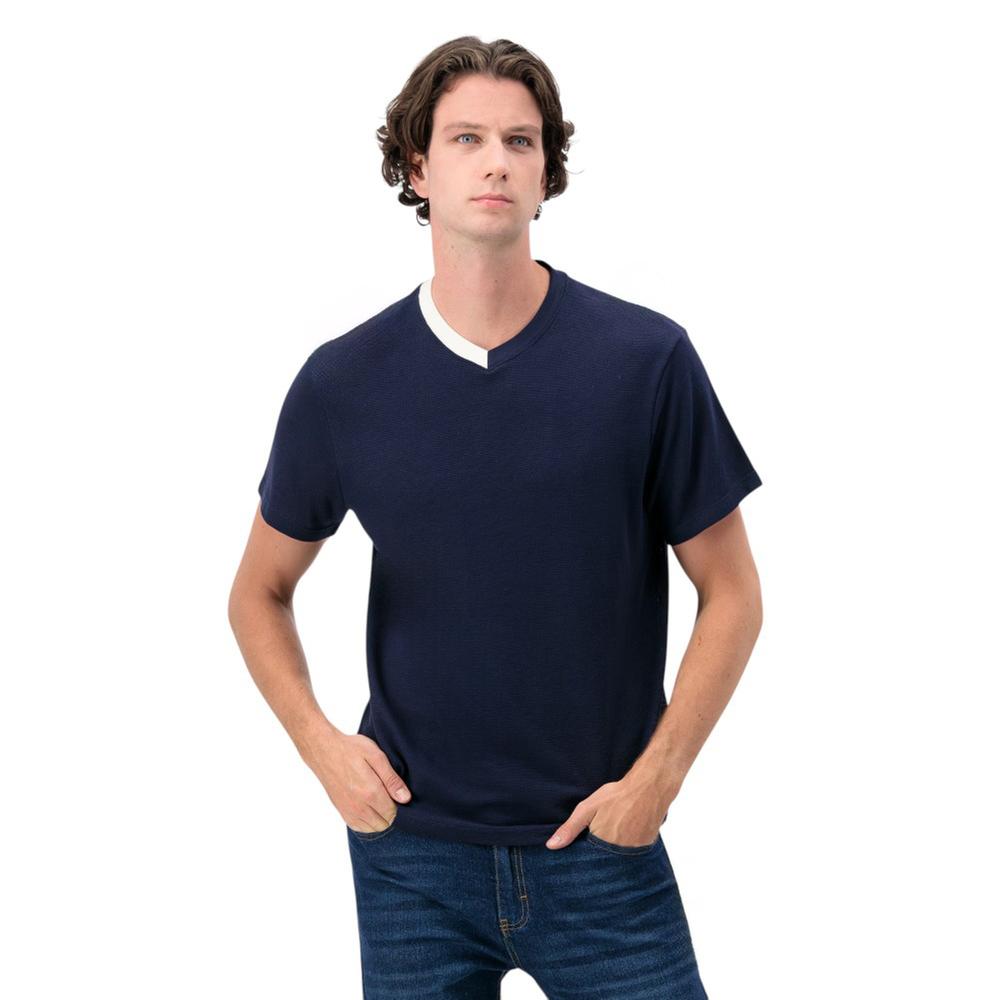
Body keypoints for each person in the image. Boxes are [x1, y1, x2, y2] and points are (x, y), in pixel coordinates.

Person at [229, 35, 763, 1000]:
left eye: (521, 141)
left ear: (547, 173)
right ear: (417, 169)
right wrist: (323, 749)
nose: (496, 162)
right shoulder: (343, 383)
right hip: (412, 860)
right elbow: (258, 592)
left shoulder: (645, 361)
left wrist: (658, 781)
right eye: (466, 138)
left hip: (601, 851)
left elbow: (732, 593)